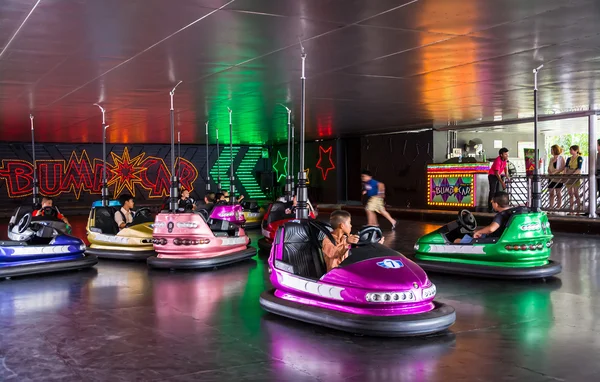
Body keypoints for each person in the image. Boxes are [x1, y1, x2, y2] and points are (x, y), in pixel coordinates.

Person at [488, 148, 510, 212]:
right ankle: (490, 208)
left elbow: (505, 167)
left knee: (497, 192)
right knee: (492, 192)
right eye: (505, 154)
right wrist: (502, 183)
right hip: (492, 176)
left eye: (507, 154)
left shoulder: (505, 159)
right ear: (501, 155)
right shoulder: (497, 160)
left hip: (498, 176)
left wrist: (506, 175)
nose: (507, 155)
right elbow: (496, 173)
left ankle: (497, 207)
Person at [565, 145, 583, 215]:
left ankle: (579, 210)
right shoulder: (569, 159)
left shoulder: (579, 158)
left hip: (576, 177)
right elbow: (566, 167)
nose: (570, 151)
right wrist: (566, 174)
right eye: (570, 150)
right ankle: (571, 210)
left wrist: (573, 174)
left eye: (571, 150)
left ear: (576, 150)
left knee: (576, 193)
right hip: (569, 177)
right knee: (570, 194)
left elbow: (579, 168)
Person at [547, 144, 566, 211]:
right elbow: (549, 167)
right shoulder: (551, 159)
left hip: (558, 178)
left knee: (558, 193)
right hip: (551, 178)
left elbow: (563, 167)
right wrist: (549, 172)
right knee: (551, 193)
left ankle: (558, 206)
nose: (551, 151)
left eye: (552, 150)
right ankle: (551, 206)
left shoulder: (561, 158)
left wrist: (556, 172)